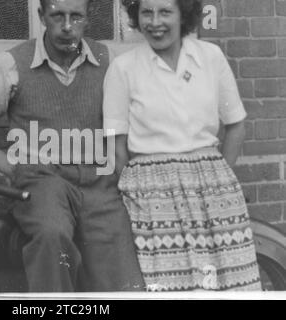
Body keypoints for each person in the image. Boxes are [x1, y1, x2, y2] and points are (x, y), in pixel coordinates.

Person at [0, 0, 144, 292]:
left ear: (88, 18)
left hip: (97, 182)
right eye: (57, 16)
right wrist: (10, 167)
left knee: (119, 268)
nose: (67, 27)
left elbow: (127, 124)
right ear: (42, 16)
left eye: (76, 16)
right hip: (42, 181)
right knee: (52, 235)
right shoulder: (11, 64)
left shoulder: (108, 61)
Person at [103, 0, 262, 291]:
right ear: (136, 17)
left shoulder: (210, 57)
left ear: (183, 15)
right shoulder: (123, 68)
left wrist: (221, 176)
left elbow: (236, 124)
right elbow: (117, 146)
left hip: (212, 187)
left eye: (165, 12)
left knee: (228, 282)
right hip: (151, 194)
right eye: (146, 12)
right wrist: (135, 191)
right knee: (167, 286)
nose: (155, 22)